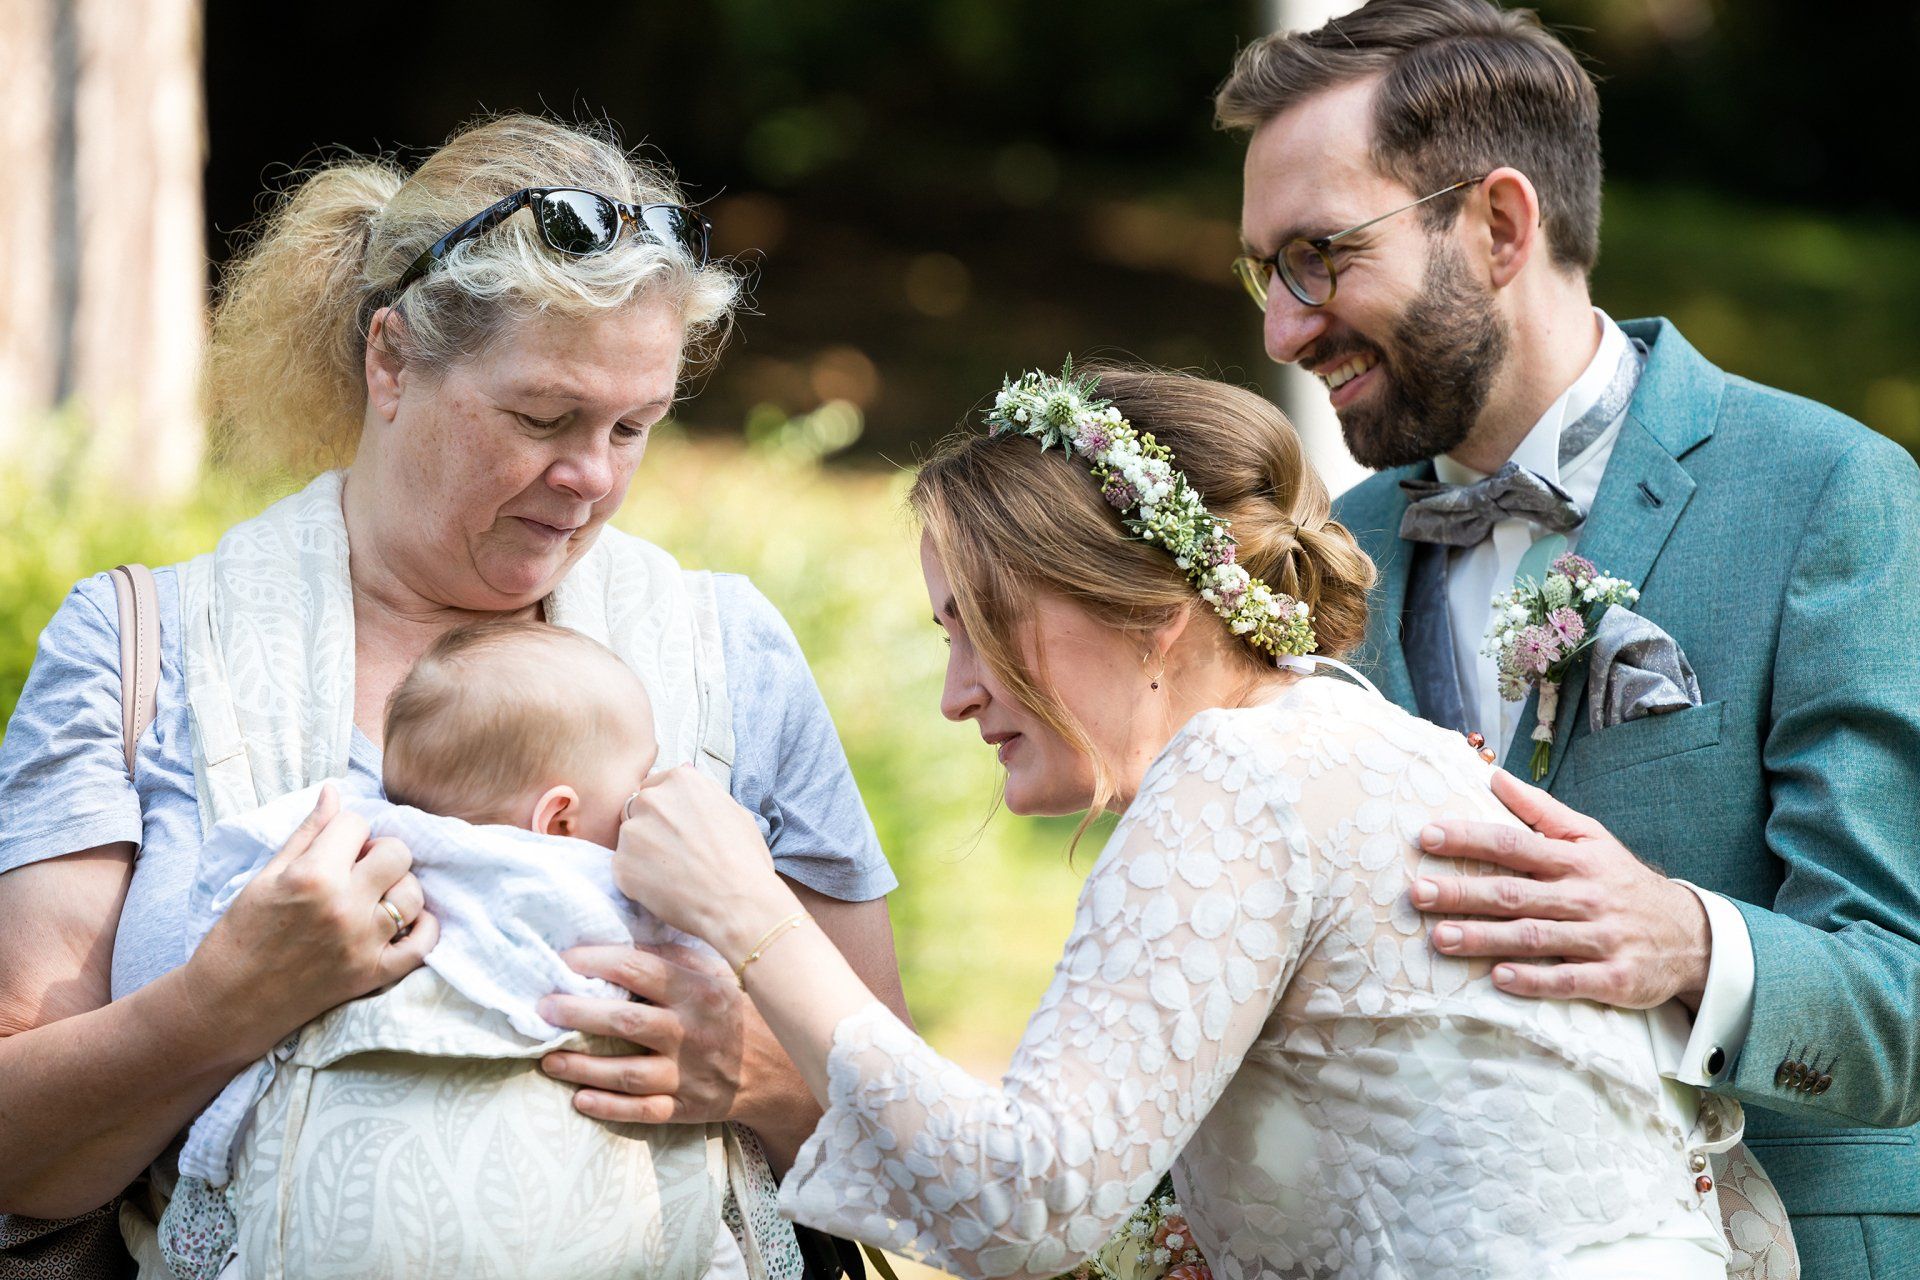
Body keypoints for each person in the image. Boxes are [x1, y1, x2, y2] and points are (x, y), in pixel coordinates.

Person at [0, 114, 906, 1273]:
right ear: (391, 360)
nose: (591, 478)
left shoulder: (730, 652)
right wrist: (220, 1003)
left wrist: (758, 1073)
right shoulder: (146, 645)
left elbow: (905, 1129)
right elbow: (19, 1156)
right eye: (543, 417)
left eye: (635, 426)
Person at [612, 364, 1754, 1279]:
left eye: (980, 628)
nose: (956, 692)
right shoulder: (1348, 737)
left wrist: (750, 913)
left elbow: (1027, 1201)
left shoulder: (1240, 768)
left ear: (1152, 611)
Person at [1214, 2, 1920, 1272]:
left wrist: (1688, 941)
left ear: (1498, 225)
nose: (1285, 326)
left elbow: (1904, 996)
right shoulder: (1340, 550)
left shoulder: (1829, 493)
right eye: (1266, 271)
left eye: (1320, 255)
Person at [160, 618, 798, 1278]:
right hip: (590, 1215)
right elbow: (724, 958)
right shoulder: (609, 885)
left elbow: (234, 882)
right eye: (639, 781)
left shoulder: (365, 842)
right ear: (559, 820)